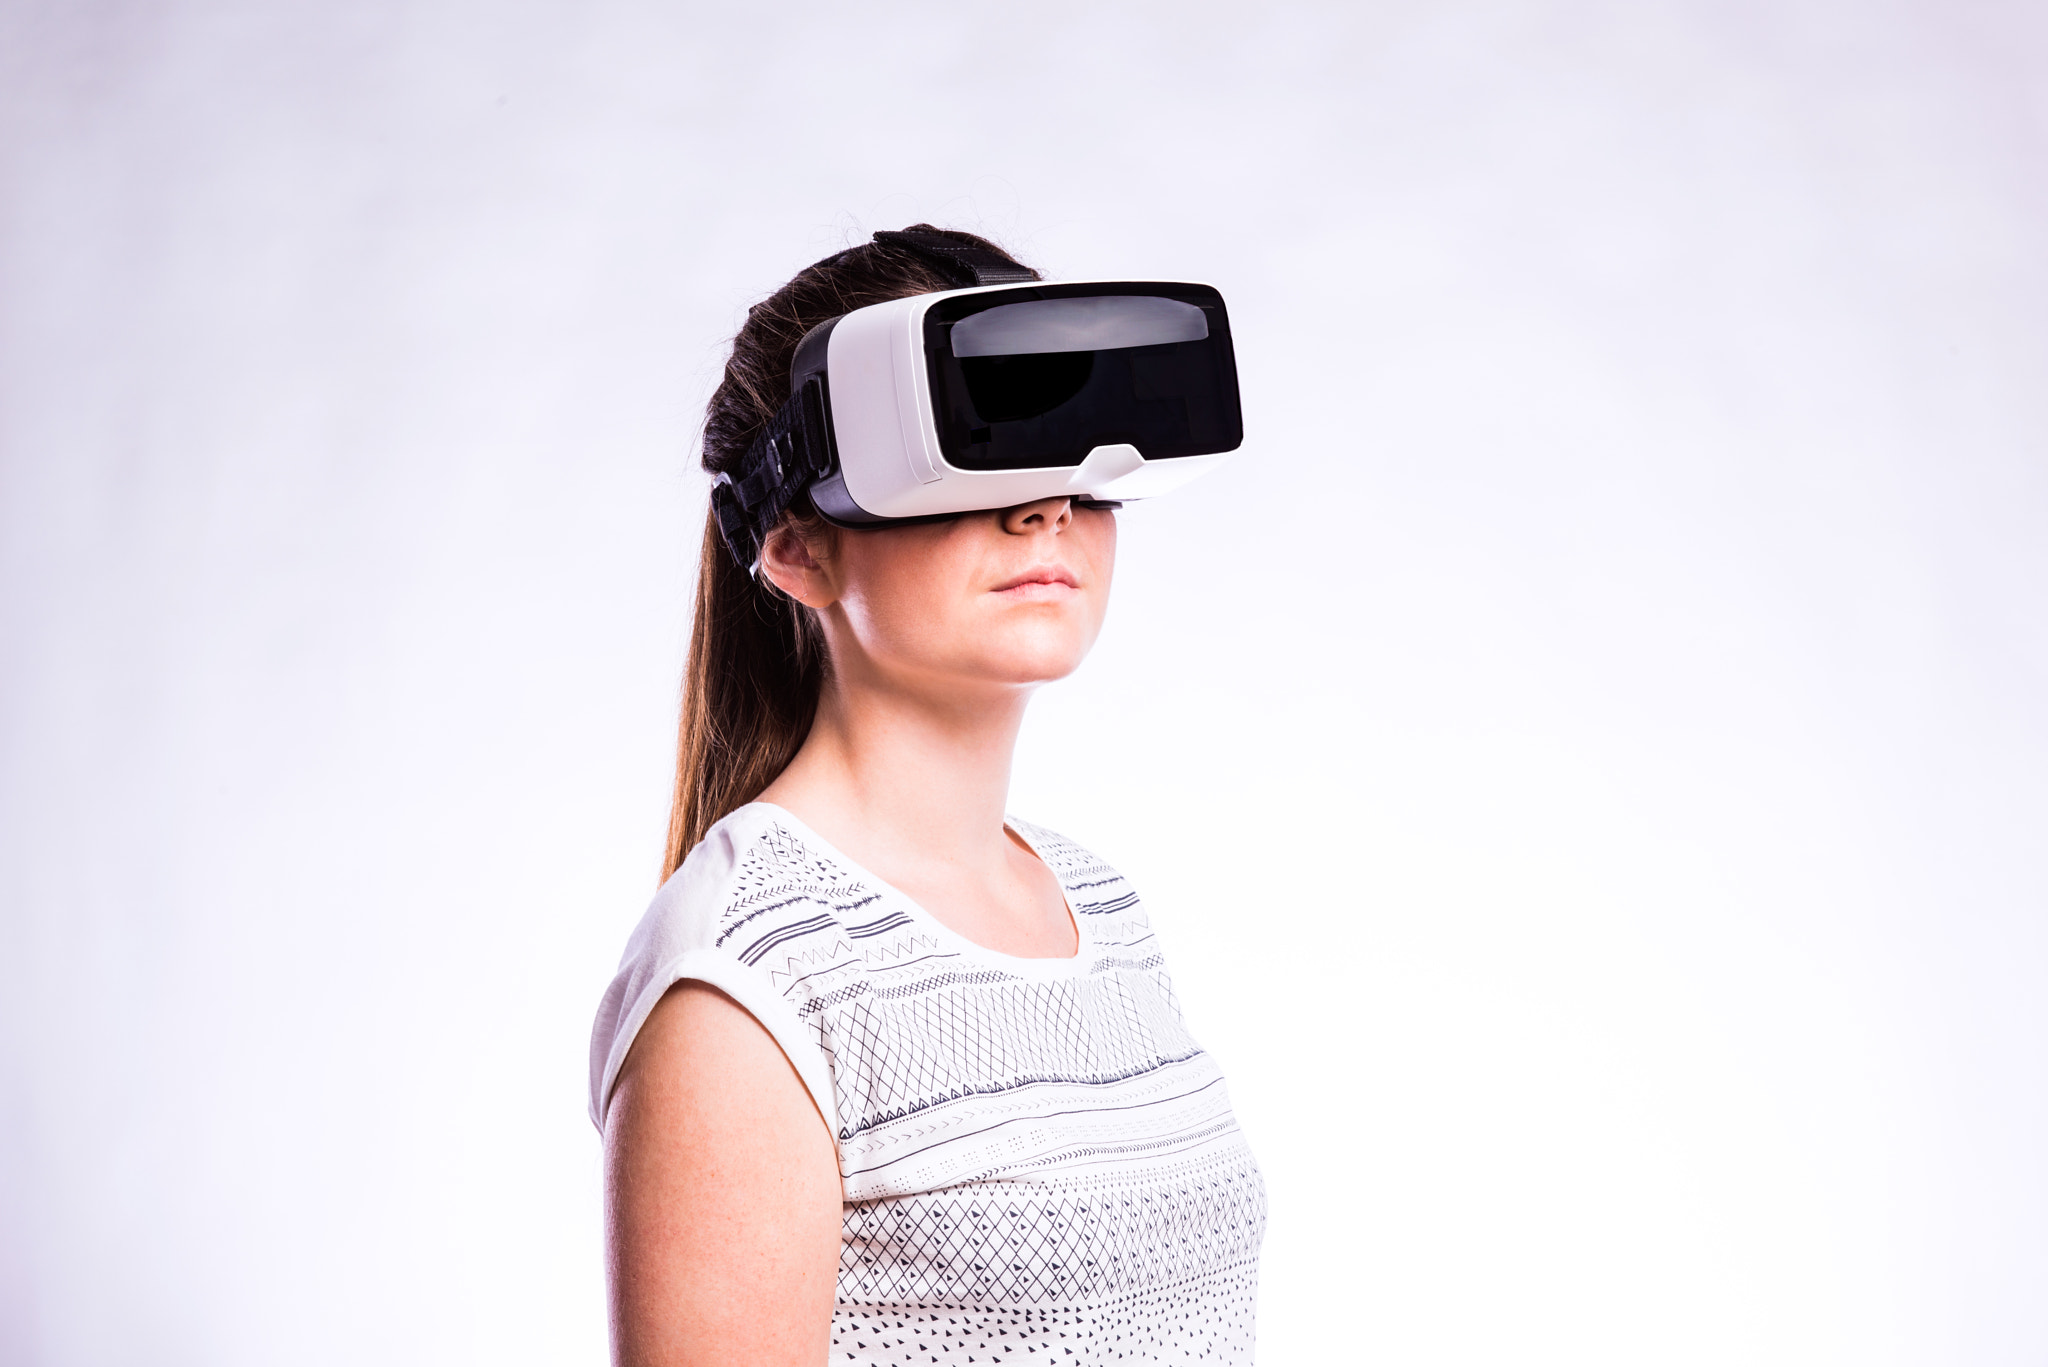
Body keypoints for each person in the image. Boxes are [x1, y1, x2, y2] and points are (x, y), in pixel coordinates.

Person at [589, 227, 1266, 1367]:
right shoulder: (747, 983)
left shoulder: (1101, 908)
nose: (1043, 507)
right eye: (975, 453)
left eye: (1074, 465)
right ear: (796, 546)